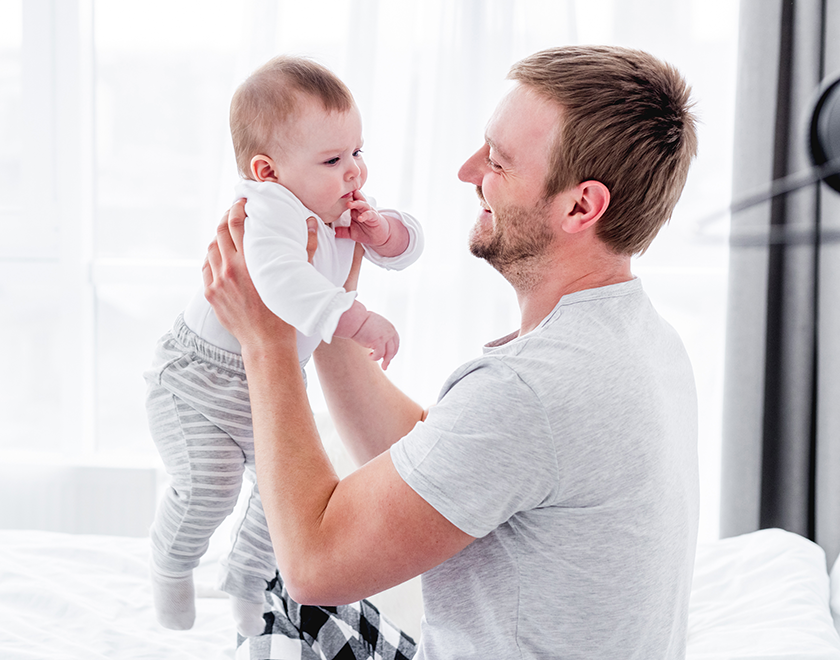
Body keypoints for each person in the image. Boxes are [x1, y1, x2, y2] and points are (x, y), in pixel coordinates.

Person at [201, 44, 700, 659]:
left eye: (497, 160)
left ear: (580, 206)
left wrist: (266, 341)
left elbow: (314, 564)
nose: (468, 172)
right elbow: (448, 462)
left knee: (280, 589)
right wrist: (328, 307)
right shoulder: (640, 339)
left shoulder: (531, 392)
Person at [144, 55, 423, 637]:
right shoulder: (268, 209)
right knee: (210, 489)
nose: (354, 173)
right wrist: (357, 318)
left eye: (357, 152)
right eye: (332, 160)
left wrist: (386, 233)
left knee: (289, 501)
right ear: (267, 170)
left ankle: (246, 583)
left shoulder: (332, 203)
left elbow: (404, 247)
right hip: (201, 378)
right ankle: (171, 565)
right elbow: (278, 282)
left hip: (267, 376)